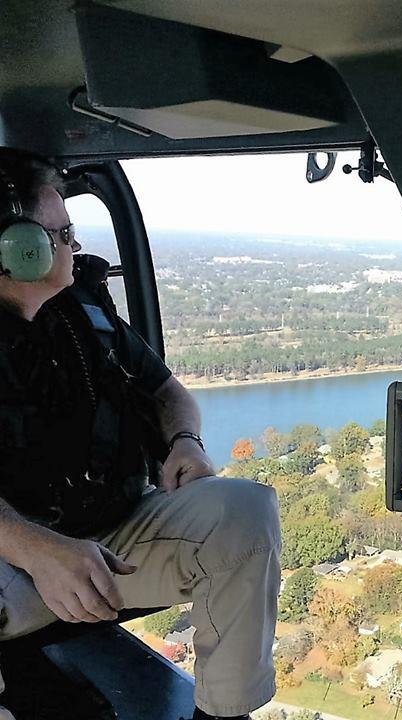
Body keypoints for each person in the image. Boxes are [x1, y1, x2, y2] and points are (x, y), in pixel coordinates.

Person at [0, 149, 281, 720]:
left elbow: (166, 391)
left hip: (104, 544)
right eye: (64, 232)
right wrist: (40, 551)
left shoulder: (82, 312)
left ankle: (224, 713)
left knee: (244, 516)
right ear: (18, 249)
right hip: (14, 566)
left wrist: (185, 443)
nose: (74, 246)